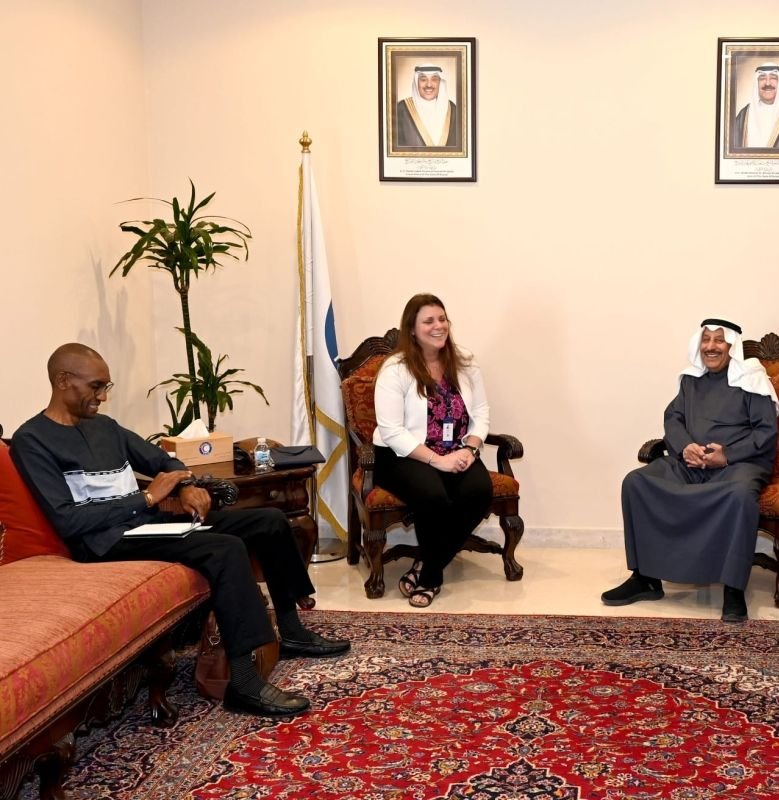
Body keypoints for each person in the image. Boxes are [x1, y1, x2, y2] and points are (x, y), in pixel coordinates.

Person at [10, 344, 350, 719]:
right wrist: (147, 498)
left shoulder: (105, 427)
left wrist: (185, 484)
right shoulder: (32, 441)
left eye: (106, 386)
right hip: (104, 543)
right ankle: (244, 684)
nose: (103, 396)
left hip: (143, 525)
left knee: (268, 520)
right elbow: (67, 520)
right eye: (96, 386)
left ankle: (292, 630)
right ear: (63, 381)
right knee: (225, 549)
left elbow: (162, 460)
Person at [601, 319, 779, 623]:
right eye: (706, 339)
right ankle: (646, 578)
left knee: (739, 496)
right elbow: (673, 418)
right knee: (637, 482)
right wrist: (685, 447)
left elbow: (766, 433)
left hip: (738, 465)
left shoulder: (752, 381)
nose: (711, 346)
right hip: (691, 463)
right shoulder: (691, 380)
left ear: (732, 346)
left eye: (719, 340)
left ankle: (733, 588)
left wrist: (727, 456)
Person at [372, 293, 491, 607]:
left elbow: (481, 412)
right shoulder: (395, 369)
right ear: (412, 329)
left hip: (457, 450)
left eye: (442, 319)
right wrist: (438, 461)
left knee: (479, 492)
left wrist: (470, 449)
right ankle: (430, 579)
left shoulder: (464, 360)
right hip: (403, 454)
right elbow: (391, 431)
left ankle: (425, 562)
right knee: (433, 496)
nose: (438, 326)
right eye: (428, 321)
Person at [730, 63, 779, 150]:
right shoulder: (744, 114)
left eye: (773, 78)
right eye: (762, 78)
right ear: (756, 83)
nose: (767, 83)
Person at [393, 64, 460, 148]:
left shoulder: (453, 110)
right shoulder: (401, 109)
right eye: (423, 80)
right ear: (416, 82)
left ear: (440, 82)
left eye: (434, 79)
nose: (429, 85)